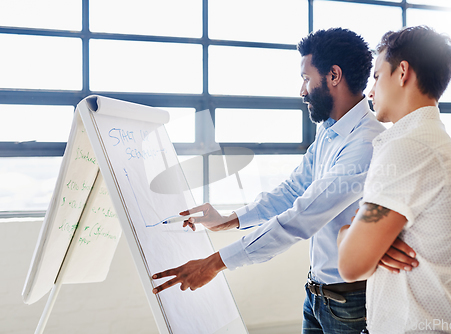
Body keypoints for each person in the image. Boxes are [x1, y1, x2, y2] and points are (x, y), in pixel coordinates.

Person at [153, 28, 418, 334]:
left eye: (306, 78)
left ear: (333, 75)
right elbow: (294, 189)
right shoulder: (330, 131)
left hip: (350, 305)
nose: (302, 90)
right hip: (317, 295)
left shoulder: (365, 145)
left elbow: (300, 218)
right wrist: (230, 219)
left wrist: (214, 263)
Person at [337, 26, 451, 333]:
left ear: (402, 72)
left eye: (375, 76)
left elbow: (350, 265)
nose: (370, 91)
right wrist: (370, 242)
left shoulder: (408, 146)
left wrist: (347, 233)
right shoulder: (430, 138)